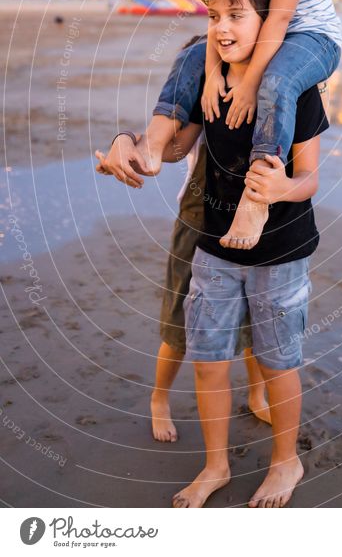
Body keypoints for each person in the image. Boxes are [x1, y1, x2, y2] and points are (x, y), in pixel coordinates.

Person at [150, 0, 329, 508]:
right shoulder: (209, 79)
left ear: (268, 20)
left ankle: (285, 462)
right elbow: (174, 147)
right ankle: (215, 467)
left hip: (281, 250)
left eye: (236, 15)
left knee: (278, 361)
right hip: (213, 243)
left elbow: (311, 180)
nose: (223, 27)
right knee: (207, 360)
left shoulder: (294, 85)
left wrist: (280, 189)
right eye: (213, 15)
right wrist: (130, 147)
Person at [105, 0, 341, 251]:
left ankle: (257, 193)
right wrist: (213, 74)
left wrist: (249, 84)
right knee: (193, 54)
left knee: (278, 79)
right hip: (258, 34)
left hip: (310, 37)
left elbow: (278, 22)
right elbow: (218, 18)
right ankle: (151, 143)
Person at [96, 37, 271, 443]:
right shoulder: (204, 100)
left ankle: (258, 393)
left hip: (256, 221)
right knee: (179, 319)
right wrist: (125, 140)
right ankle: (159, 399)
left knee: (255, 317)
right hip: (199, 218)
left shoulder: (267, 92)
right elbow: (169, 149)